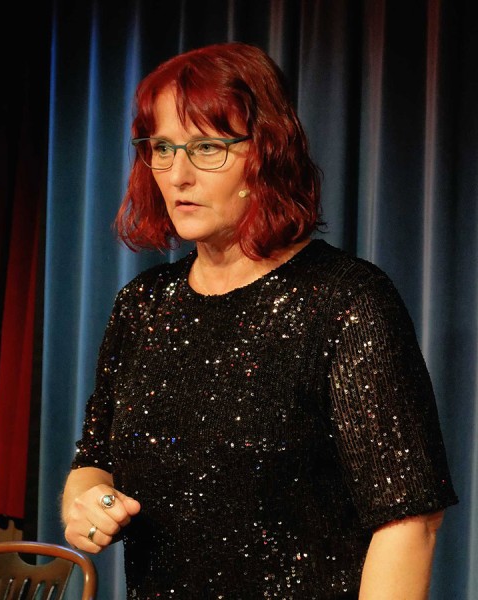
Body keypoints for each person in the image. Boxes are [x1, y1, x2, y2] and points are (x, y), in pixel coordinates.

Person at [62, 42, 458, 599]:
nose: (177, 175)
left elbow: (409, 520)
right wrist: (87, 504)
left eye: (207, 147)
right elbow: (93, 462)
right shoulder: (142, 306)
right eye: (163, 148)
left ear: (266, 153)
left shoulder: (344, 299)